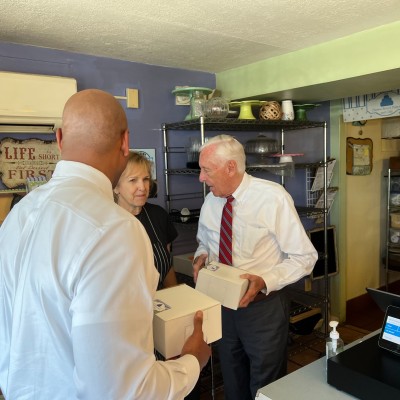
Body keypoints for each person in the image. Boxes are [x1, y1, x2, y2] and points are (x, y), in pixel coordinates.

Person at [0, 89, 210, 399]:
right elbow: (124, 391)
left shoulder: (17, 216)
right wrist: (193, 362)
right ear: (125, 142)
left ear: (59, 138)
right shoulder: (115, 230)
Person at [192, 134, 318, 400]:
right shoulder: (211, 201)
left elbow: (305, 257)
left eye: (206, 170)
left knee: (266, 383)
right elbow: (204, 241)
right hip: (223, 306)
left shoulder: (272, 198)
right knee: (232, 375)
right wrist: (201, 255)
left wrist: (264, 280)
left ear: (230, 167)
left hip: (263, 308)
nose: (201, 178)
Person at [114, 151, 178, 290]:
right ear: (116, 187)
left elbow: (166, 265)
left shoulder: (158, 215)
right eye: (133, 180)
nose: (142, 187)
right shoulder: (108, 223)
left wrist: (176, 299)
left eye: (146, 179)